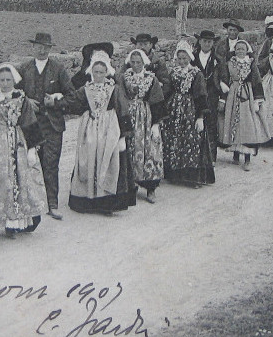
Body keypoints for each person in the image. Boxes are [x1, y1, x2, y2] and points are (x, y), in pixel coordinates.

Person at [0, 64, 47, 245]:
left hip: (16, 141)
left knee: (15, 181)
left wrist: (31, 148)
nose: (5, 83)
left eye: (8, 80)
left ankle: (11, 223)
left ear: (14, 81)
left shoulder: (21, 98)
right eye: (2, 80)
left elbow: (29, 121)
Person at [60, 51, 136, 214]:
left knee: (108, 161)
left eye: (102, 72)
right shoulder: (85, 89)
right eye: (96, 72)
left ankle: (107, 202)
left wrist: (123, 135)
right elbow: (74, 103)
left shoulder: (113, 89)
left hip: (109, 128)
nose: (98, 75)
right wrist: (56, 101)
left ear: (107, 72)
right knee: (88, 160)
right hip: (90, 129)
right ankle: (88, 201)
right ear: (91, 72)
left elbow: (123, 110)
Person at [17, 32, 77, 220]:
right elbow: (13, 93)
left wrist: (56, 102)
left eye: (45, 47)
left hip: (53, 125)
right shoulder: (24, 69)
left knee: (51, 164)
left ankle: (52, 203)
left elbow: (72, 96)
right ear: (33, 47)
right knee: (28, 163)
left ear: (50, 49)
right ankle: (31, 203)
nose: (42, 50)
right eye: (38, 46)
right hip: (30, 124)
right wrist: (26, 101)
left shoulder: (58, 69)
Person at [161, 40, 215, 187]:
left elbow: (201, 95)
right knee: (174, 140)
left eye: (185, 58)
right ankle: (174, 174)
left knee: (191, 142)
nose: (182, 61)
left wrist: (200, 117)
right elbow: (168, 91)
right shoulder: (173, 72)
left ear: (190, 58)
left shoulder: (196, 74)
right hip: (174, 110)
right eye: (179, 58)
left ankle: (191, 177)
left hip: (190, 110)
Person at [119, 49, 166, 203]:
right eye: (132, 62)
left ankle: (151, 188)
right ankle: (130, 187)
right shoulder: (125, 77)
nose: (135, 65)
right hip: (129, 117)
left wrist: (156, 124)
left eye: (138, 62)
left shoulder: (151, 78)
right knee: (129, 149)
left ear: (144, 62)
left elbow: (158, 101)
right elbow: (120, 97)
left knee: (148, 150)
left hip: (146, 117)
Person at [218, 39, 267, 170]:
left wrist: (257, 99)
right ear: (234, 50)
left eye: (243, 49)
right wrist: (223, 99)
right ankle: (235, 153)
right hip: (233, 96)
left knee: (247, 125)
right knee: (233, 122)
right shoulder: (229, 64)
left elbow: (257, 81)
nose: (240, 51)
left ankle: (247, 158)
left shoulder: (251, 64)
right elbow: (224, 81)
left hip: (247, 96)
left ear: (247, 51)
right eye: (238, 49)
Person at [192, 30, 222, 164]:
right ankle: (196, 157)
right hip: (196, 96)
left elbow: (224, 78)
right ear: (199, 42)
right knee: (196, 123)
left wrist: (222, 98)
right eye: (204, 41)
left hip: (212, 96)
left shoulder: (218, 59)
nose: (207, 44)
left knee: (211, 125)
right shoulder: (192, 58)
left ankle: (211, 158)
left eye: (210, 41)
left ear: (213, 43)